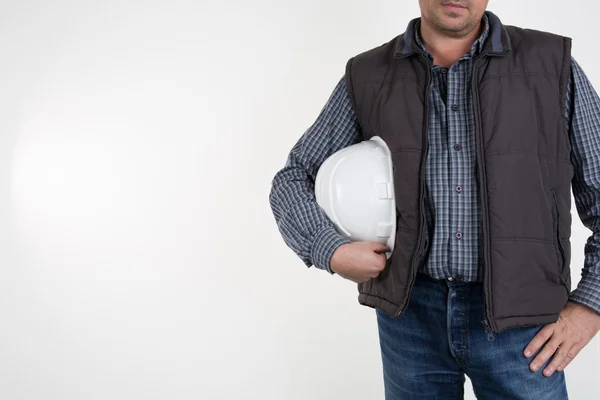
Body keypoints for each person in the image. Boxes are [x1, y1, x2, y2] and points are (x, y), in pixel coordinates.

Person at [269, 1, 600, 398]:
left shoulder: (551, 65)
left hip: (523, 324)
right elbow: (293, 178)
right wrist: (331, 250)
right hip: (410, 319)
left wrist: (589, 307)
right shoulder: (370, 74)